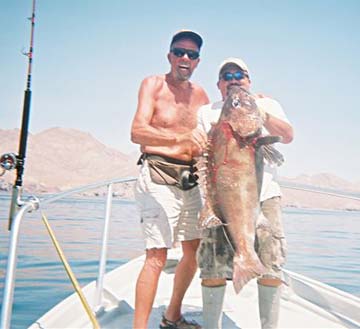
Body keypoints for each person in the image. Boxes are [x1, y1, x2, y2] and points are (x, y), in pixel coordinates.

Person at [197, 57, 294, 329]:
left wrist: (260, 114)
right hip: (220, 202)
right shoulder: (207, 112)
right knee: (212, 266)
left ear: (249, 81)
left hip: (265, 198)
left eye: (239, 74)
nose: (233, 79)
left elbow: (287, 135)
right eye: (226, 75)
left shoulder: (267, 105)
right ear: (219, 85)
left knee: (272, 266)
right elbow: (203, 155)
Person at [130, 30, 209, 329]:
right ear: (169, 56)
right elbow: (137, 131)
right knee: (157, 255)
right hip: (158, 174)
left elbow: (214, 129)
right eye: (179, 51)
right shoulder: (153, 85)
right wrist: (179, 137)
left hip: (191, 181)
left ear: (198, 61)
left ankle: (172, 316)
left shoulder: (201, 96)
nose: (184, 58)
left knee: (194, 250)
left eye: (191, 54)